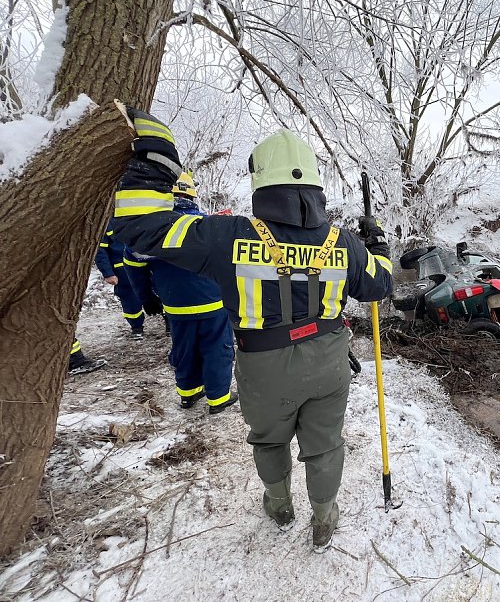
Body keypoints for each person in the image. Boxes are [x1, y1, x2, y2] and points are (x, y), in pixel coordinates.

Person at [111, 107, 393, 553]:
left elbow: (140, 229)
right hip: (330, 362)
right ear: (314, 185)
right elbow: (379, 284)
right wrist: (378, 247)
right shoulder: (344, 242)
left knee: (270, 438)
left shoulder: (226, 236)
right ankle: (325, 518)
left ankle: (279, 506)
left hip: (263, 365)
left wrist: (156, 161)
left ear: (260, 182)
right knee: (325, 446)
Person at [123, 172, 237, 414]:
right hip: (213, 303)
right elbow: (232, 264)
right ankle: (218, 398)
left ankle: (188, 393)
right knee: (217, 349)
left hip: (175, 306)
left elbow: (133, 268)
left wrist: (147, 299)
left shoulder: (149, 230)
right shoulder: (208, 226)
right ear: (192, 195)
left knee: (184, 349)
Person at [95, 221, 163, 339]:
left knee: (161, 292)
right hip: (122, 270)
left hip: (148, 263)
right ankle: (137, 328)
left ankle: (169, 324)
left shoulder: (140, 216)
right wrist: (108, 273)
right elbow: (100, 250)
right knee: (130, 299)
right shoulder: (107, 223)